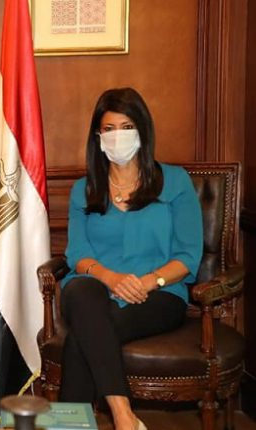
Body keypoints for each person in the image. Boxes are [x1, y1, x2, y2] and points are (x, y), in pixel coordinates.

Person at [60, 88, 203, 430]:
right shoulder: (84, 189)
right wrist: (112, 279)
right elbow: (77, 254)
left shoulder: (175, 181)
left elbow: (188, 255)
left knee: (83, 336)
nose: (117, 136)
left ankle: (71, 425)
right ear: (98, 137)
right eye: (109, 129)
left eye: (126, 127)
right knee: (80, 292)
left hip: (157, 294)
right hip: (96, 290)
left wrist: (148, 282)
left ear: (142, 131)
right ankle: (124, 415)